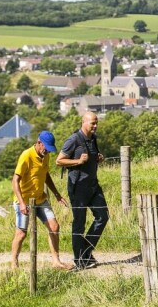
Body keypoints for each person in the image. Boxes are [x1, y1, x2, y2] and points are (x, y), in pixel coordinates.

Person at [11, 131, 72, 270]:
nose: (47, 151)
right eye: (46, 148)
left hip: (40, 199)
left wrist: (57, 194)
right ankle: (14, 263)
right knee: (21, 234)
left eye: (50, 149)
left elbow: (46, 175)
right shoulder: (26, 156)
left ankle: (56, 261)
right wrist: (21, 203)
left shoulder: (46, 156)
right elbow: (15, 180)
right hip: (24, 201)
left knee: (55, 227)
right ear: (39, 143)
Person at [56, 112, 109, 269]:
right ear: (84, 122)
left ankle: (85, 251)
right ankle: (79, 259)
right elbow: (59, 161)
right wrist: (78, 161)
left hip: (93, 185)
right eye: (92, 123)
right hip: (78, 187)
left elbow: (91, 157)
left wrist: (98, 158)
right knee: (79, 223)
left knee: (103, 216)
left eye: (96, 123)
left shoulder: (93, 139)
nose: (95, 126)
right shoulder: (73, 140)